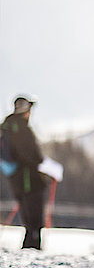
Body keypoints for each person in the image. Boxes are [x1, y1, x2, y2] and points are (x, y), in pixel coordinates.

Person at [1, 95, 47, 249]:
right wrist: (42, 163)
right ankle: (33, 248)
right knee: (34, 219)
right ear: (26, 110)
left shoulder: (7, 126)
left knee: (28, 218)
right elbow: (30, 155)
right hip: (29, 179)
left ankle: (29, 247)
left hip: (15, 179)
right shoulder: (21, 128)